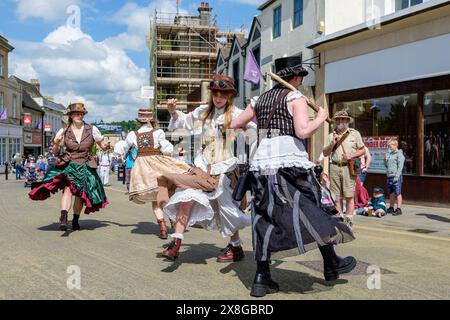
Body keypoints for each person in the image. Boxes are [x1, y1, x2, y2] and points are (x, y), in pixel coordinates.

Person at [231, 56, 356, 297]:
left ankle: (261, 278)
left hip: (262, 163)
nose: (300, 82)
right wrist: (320, 118)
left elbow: (236, 124)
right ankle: (331, 263)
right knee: (310, 209)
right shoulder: (295, 97)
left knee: (265, 216)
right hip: (288, 161)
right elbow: (302, 131)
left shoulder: (259, 99)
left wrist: (261, 129)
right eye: (300, 77)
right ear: (296, 77)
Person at [156, 74, 255, 262]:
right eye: (216, 93)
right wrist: (173, 112)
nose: (218, 97)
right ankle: (175, 244)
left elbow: (254, 132)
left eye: (223, 94)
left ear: (229, 96)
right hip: (201, 167)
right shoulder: (202, 111)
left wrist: (247, 125)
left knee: (225, 208)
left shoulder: (237, 114)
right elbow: (183, 123)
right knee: (187, 198)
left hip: (224, 169)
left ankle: (236, 247)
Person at [29, 103, 110, 231]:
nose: (79, 115)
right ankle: (63, 217)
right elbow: (55, 151)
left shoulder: (92, 129)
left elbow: (102, 145)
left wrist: (106, 146)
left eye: (81, 114)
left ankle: (76, 219)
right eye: (76, 113)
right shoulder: (64, 131)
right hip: (69, 163)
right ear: (71, 116)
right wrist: (56, 143)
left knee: (79, 194)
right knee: (68, 190)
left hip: (85, 164)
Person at [119, 109, 189, 239]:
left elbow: (123, 147)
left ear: (139, 121)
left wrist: (116, 153)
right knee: (165, 193)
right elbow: (166, 149)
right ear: (152, 119)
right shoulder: (158, 132)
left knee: (154, 198)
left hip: (142, 168)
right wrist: (177, 152)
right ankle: (173, 220)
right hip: (157, 164)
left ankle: (162, 227)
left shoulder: (133, 134)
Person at [323, 109, 366, 226]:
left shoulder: (354, 134)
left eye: (344, 119)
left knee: (349, 196)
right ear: (336, 121)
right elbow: (325, 153)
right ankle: (340, 222)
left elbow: (362, 150)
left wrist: (352, 155)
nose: (341, 121)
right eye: (339, 119)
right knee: (336, 197)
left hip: (348, 167)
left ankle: (349, 222)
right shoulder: (331, 135)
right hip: (335, 167)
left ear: (348, 121)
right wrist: (332, 144)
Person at [384, 138, 405, 216]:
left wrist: (397, 176)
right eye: (388, 146)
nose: (389, 148)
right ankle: (391, 207)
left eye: (390, 146)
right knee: (391, 192)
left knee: (397, 192)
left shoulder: (400, 155)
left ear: (395, 145)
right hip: (389, 176)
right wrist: (385, 160)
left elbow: (400, 167)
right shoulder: (389, 154)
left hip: (396, 176)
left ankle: (399, 209)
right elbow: (386, 166)